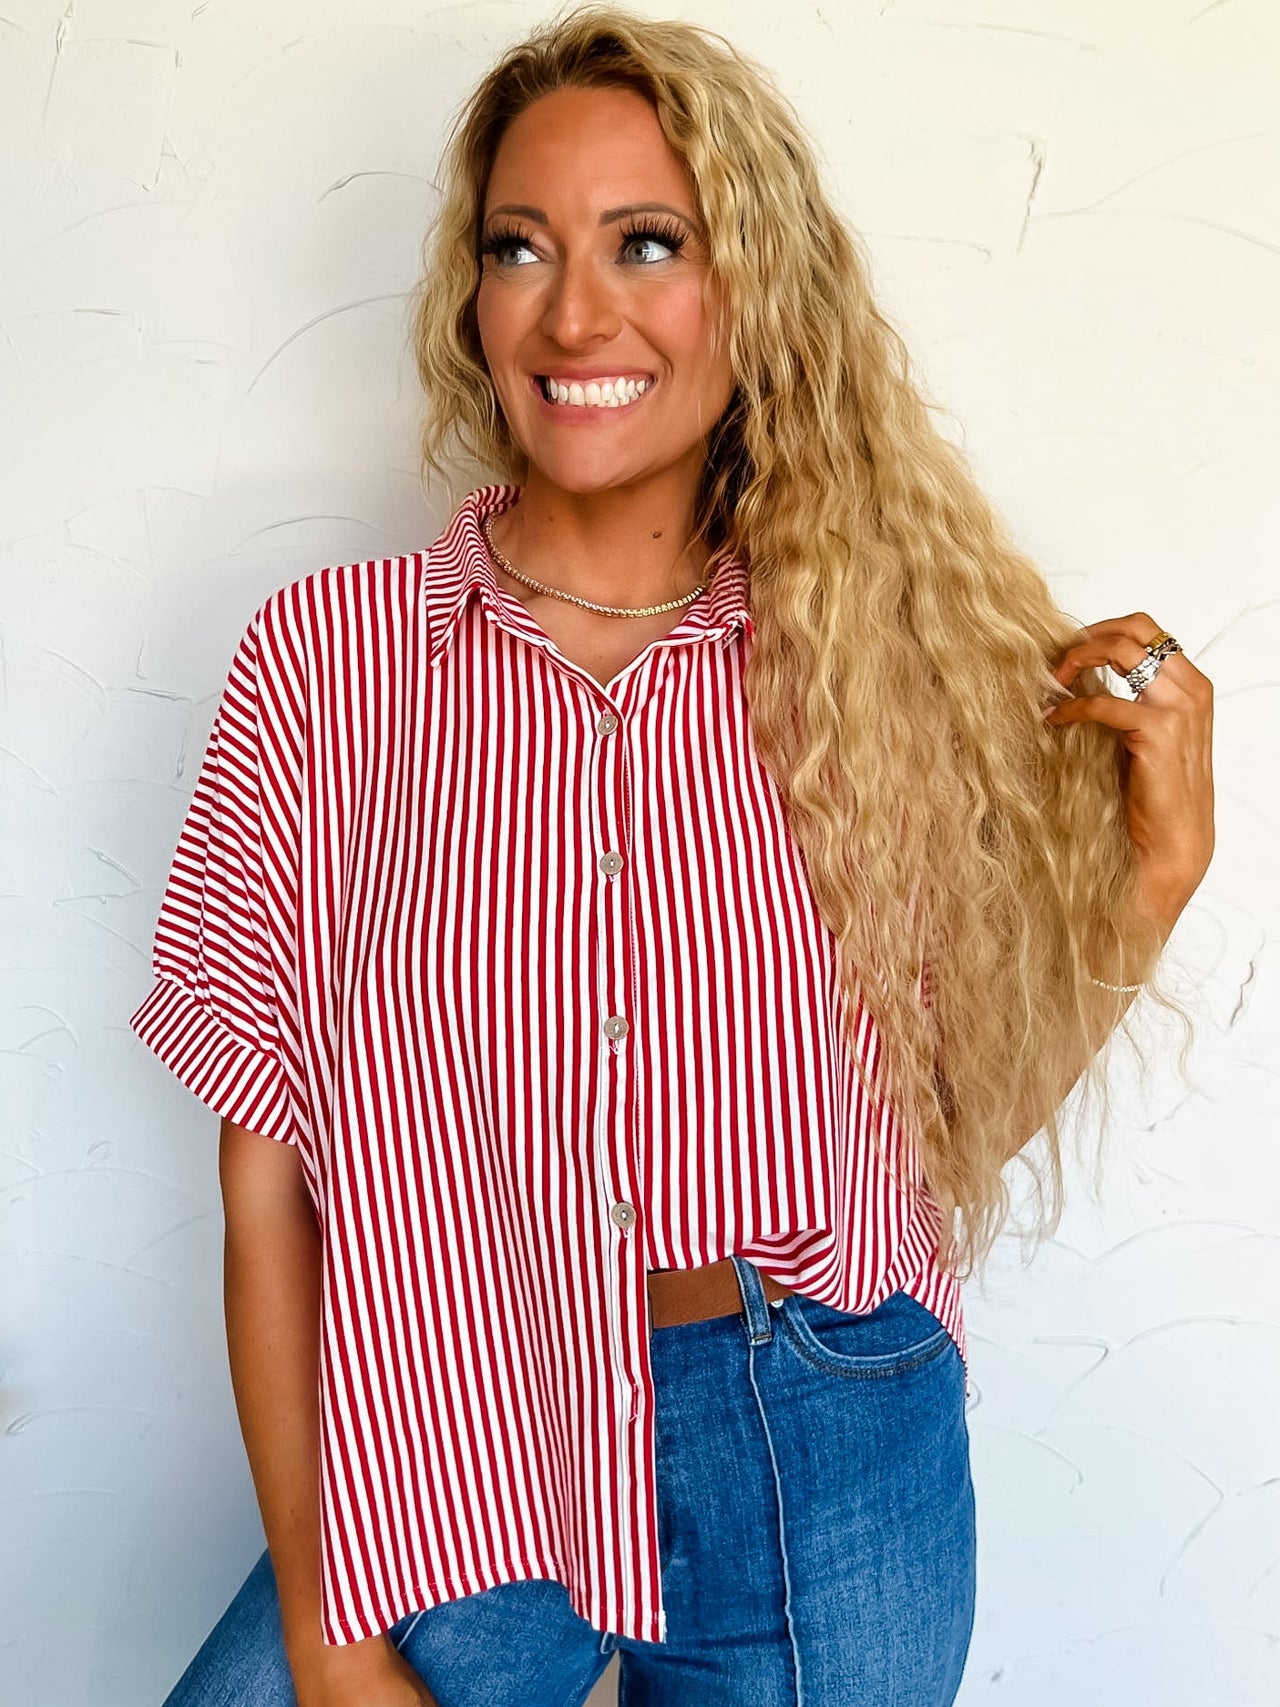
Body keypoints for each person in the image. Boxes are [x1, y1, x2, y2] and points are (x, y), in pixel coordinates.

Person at [130, 6, 1215, 1705]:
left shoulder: (876, 662)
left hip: (821, 1439)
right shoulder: (330, 662)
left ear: (753, 290)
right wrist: (330, 1636)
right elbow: (264, 1174)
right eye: (521, 247)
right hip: (453, 1424)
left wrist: (1150, 881)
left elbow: (929, 1136)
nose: (576, 314)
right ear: (472, 296)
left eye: (649, 242)